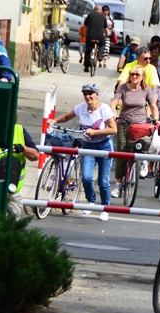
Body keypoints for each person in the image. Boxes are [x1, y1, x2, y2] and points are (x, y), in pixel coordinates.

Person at [47, 83, 117, 221]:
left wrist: (96, 132)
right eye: (85, 94)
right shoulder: (81, 108)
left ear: (97, 95)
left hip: (104, 147)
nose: (88, 96)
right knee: (86, 177)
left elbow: (113, 129)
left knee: (103, 181)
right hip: (88, 146)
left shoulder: (104, 109)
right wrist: (54, 120)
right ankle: (91, 201)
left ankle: (105, 208)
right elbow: (67, 117)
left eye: (90, 93)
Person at [110, 66, 160, 197]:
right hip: (123, 122)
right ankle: (118, 185)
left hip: (140, 124)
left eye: (137, 74)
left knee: (143, 144)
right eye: (132, 74)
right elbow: (114, 102)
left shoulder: (146, 89)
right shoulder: (123, 87)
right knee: (121, 154)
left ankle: (142, 161)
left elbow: (153, 105)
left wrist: (155, 119)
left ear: (143, 76)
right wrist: (113, 113)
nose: (134, 76)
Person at [0, 120, 40, 217]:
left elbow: (35, 155)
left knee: (13, 223)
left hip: (13, 191)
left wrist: (23, 148)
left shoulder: (19, 130)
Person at [84, 5, 107, 73]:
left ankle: (86, 67)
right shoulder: (103, 17)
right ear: (100, 10)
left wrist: (85, 33)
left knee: (88, 51)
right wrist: (106, 35)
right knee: (103, 44)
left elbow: (86, 26)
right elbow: (105, 28)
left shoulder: (89, 16)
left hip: (90, 36)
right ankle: (100, 55)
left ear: (94, 10)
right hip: (100, 36)